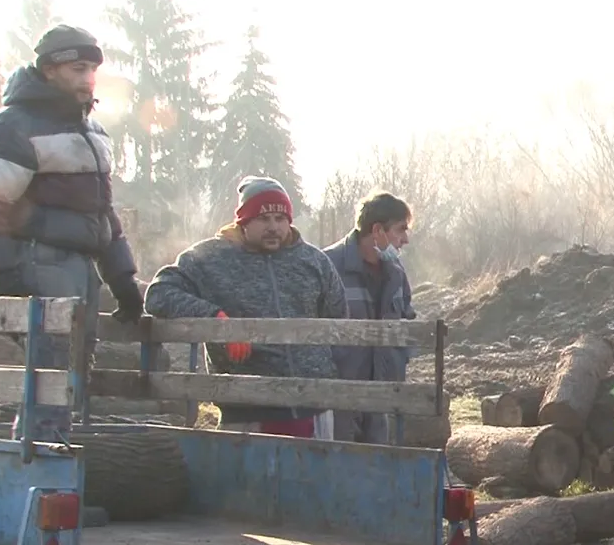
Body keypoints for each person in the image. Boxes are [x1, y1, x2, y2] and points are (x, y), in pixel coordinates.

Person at [0, 24, 144, 440]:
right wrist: (3, 276)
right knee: (50, 368)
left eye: (92, 70)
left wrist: (122, 278)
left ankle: (65, 451)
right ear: (49, 70)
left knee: (78, 367)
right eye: (77, 68)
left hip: (82, 267)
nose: (87, 79)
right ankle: (41, 455)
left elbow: (102, 213)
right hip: (39, 260)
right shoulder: (14, 126)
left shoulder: (92, 133)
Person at [144, 176, 347, 436]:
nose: (273, 227)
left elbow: (337, 315)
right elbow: (159, 293)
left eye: (280, 218)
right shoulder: (210, 259)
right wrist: (216, 320)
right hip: (247, 406)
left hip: (313, 405)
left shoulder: (313, 261)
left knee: (315, 475)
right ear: (244, 221)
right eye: (263, 219)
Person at [323, 191, 417, 444]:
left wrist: (399, 362)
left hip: (383, 396)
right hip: (339, 396)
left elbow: (407, 320)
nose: (405, 239)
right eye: (400, 230)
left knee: (379, 467)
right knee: (340, 467)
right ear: (377, 231)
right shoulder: (327, 267)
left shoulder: (395, 273)